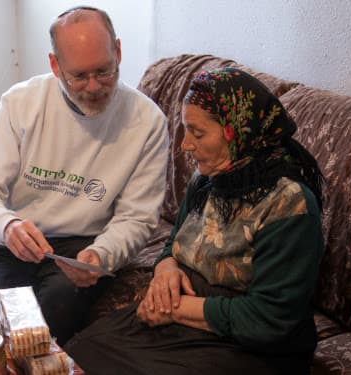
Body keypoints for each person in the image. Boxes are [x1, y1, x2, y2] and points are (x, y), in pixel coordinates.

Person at [65, 67, 326, 374]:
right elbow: (173, 244)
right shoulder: (208, 180)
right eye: (186, 130)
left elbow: (268, 320)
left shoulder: (288, 206)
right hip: (192, 315)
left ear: (237, 132)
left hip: (253, 344)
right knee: (79, 352)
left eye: (198, 133)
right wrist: (165, 270)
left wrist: (175, 308)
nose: (186, 145)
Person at [0, 6, 169, 345]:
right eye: (79, 76)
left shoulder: (148, 122)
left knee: (54, 312)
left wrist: (102, 255)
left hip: (84, 242)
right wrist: (6, 225)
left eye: (104, 71)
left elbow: (138, 218)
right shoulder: (21, 103)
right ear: (55, 65)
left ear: (117, 51)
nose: (94, 87)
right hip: (15, 235)